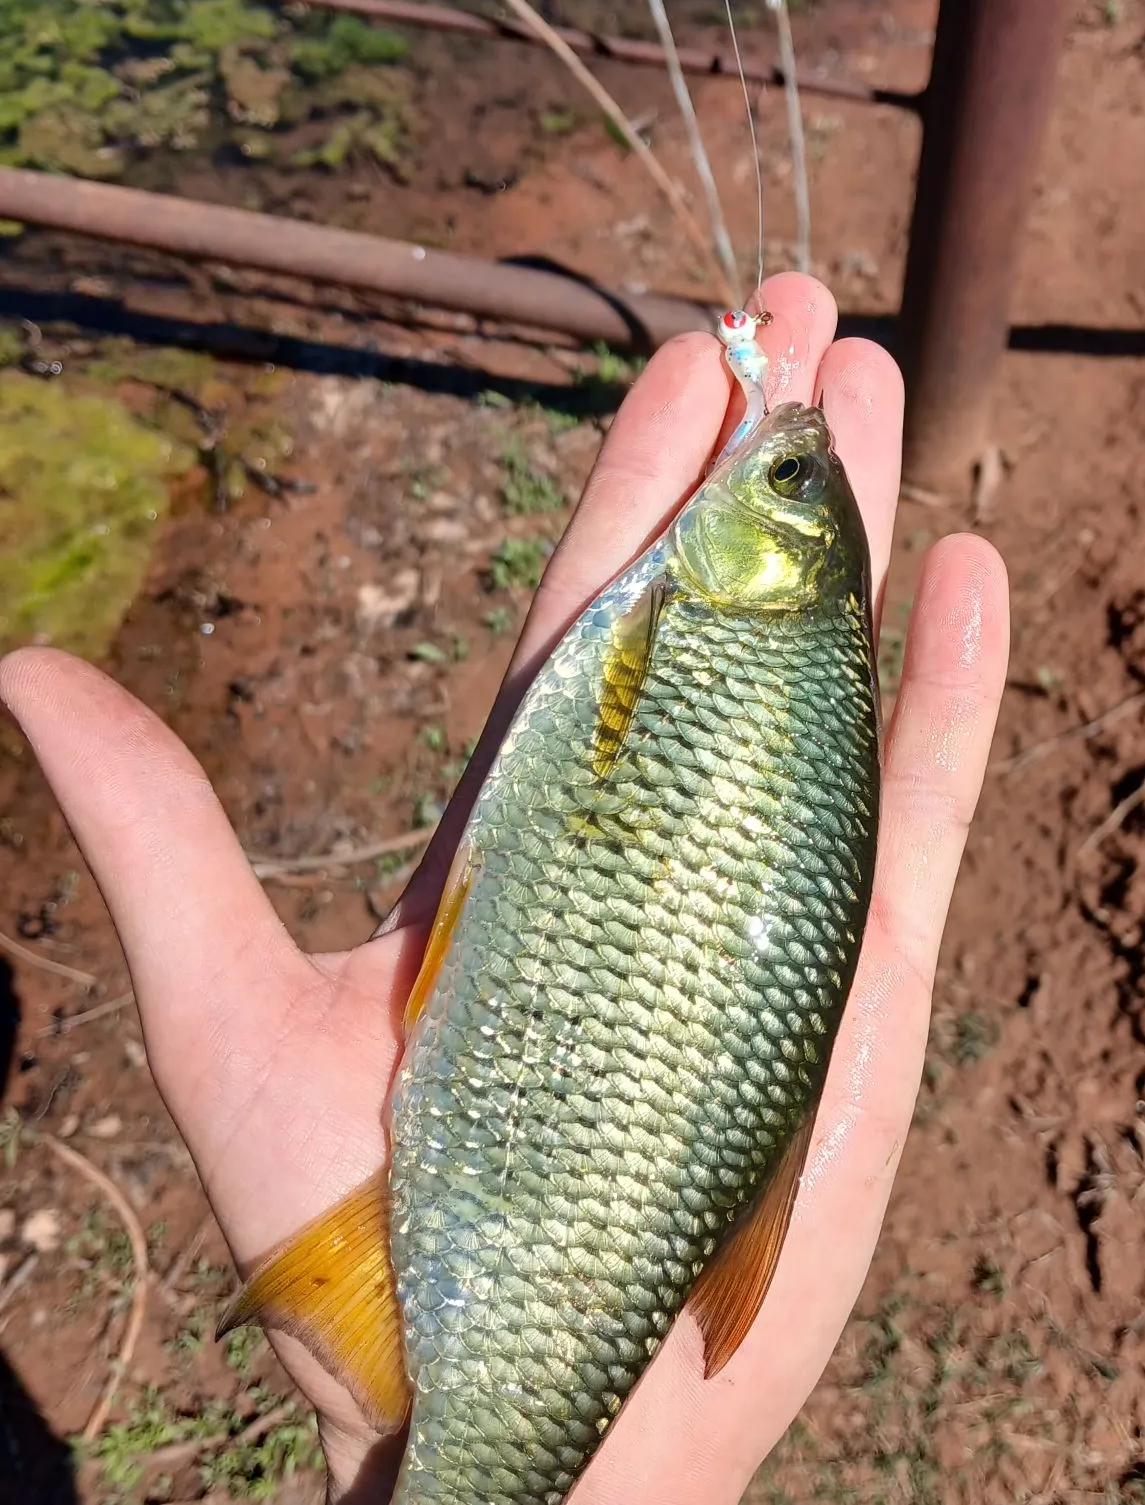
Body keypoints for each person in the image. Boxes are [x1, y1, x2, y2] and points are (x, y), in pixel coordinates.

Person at [0, 273, 1008, 1504]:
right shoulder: (733, 622)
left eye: (788, 482)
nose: (785, 455)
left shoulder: (719, 623)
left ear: (772, 569)